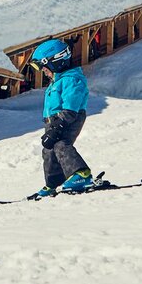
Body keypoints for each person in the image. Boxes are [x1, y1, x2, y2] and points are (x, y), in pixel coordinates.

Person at [30, 38, 94, 197]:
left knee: (60, 144)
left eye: (45, 67)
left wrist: (58, 126)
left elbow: (71, 106)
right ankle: (53, 184)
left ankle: (81, 173)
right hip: (54, 121)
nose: (43, 71)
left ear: (56, 62)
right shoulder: (57, 81)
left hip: (69, 117)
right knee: (48, 150)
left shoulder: (71, 79)